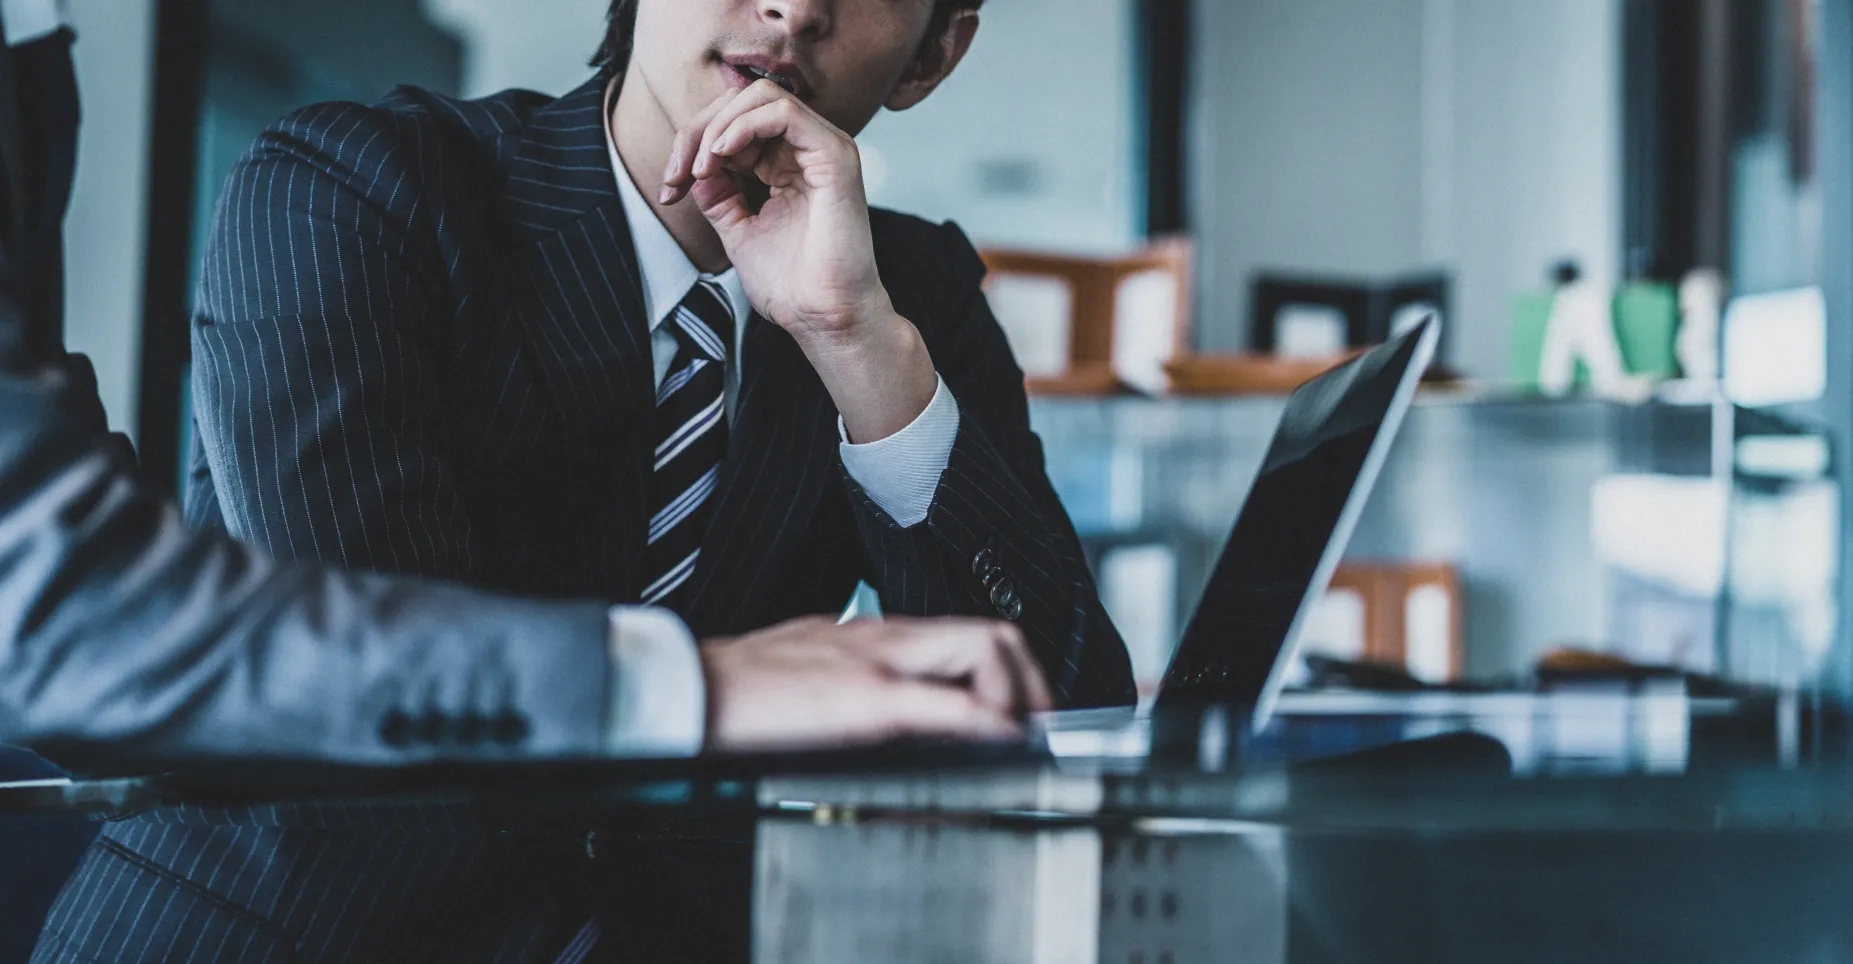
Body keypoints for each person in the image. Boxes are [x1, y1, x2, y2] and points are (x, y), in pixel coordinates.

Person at [44, 1, 1138, 960]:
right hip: (291, 928)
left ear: (932, 54)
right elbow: (381, 689)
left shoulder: (913, 296)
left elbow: (1068, 712)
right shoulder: (352, 189)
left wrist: (854, 343)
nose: (797, 8)